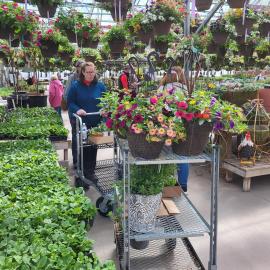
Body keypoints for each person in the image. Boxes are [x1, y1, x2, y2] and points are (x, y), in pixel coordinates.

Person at [67, 62, 106, 182]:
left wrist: (105, 109)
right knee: (82, 147)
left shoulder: (100, 86)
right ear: (83, 72)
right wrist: (78, 109)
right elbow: (70, 102)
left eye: (93, 71)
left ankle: (91, 172)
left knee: (93, 147)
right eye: (88, 72)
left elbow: (106, 100)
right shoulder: (75, 86)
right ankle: (81, 172)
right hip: (82, 123)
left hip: (95, 122)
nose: (91, 74)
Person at [159, 66, 189, 192]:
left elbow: (157, 104)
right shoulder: (184, 88)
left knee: (165, 153)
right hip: (181, 124)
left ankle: (167, 184)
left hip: (165, 125)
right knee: (182, 155)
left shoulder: (162, 88)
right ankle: (183, 186)